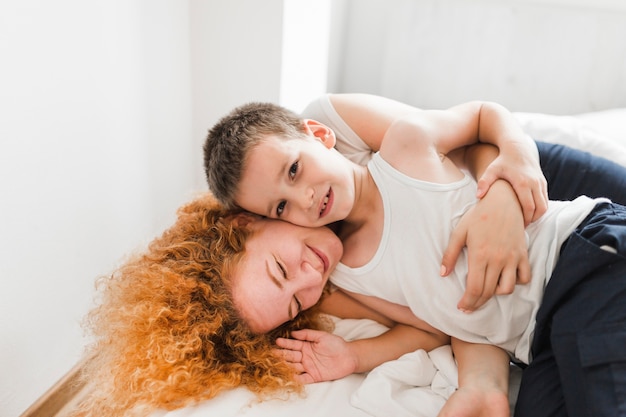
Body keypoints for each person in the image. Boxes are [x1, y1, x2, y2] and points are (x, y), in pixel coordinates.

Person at [202, 100, 626, 417]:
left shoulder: (403, 147)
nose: (305, 198)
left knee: (602, 394)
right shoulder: (346, 276)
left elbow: (481, 117)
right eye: (281, 207)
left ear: (319, 134)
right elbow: (437, 323)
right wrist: (356, 355)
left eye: (294, 171)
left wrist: (515, 158)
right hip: (537, 338)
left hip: (579, 257)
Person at [72, 195, 341, 417]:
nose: (314, 277)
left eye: (281, 269)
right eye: (295, 304)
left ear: (242, 223)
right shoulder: (335, 280)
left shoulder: (310, 165)